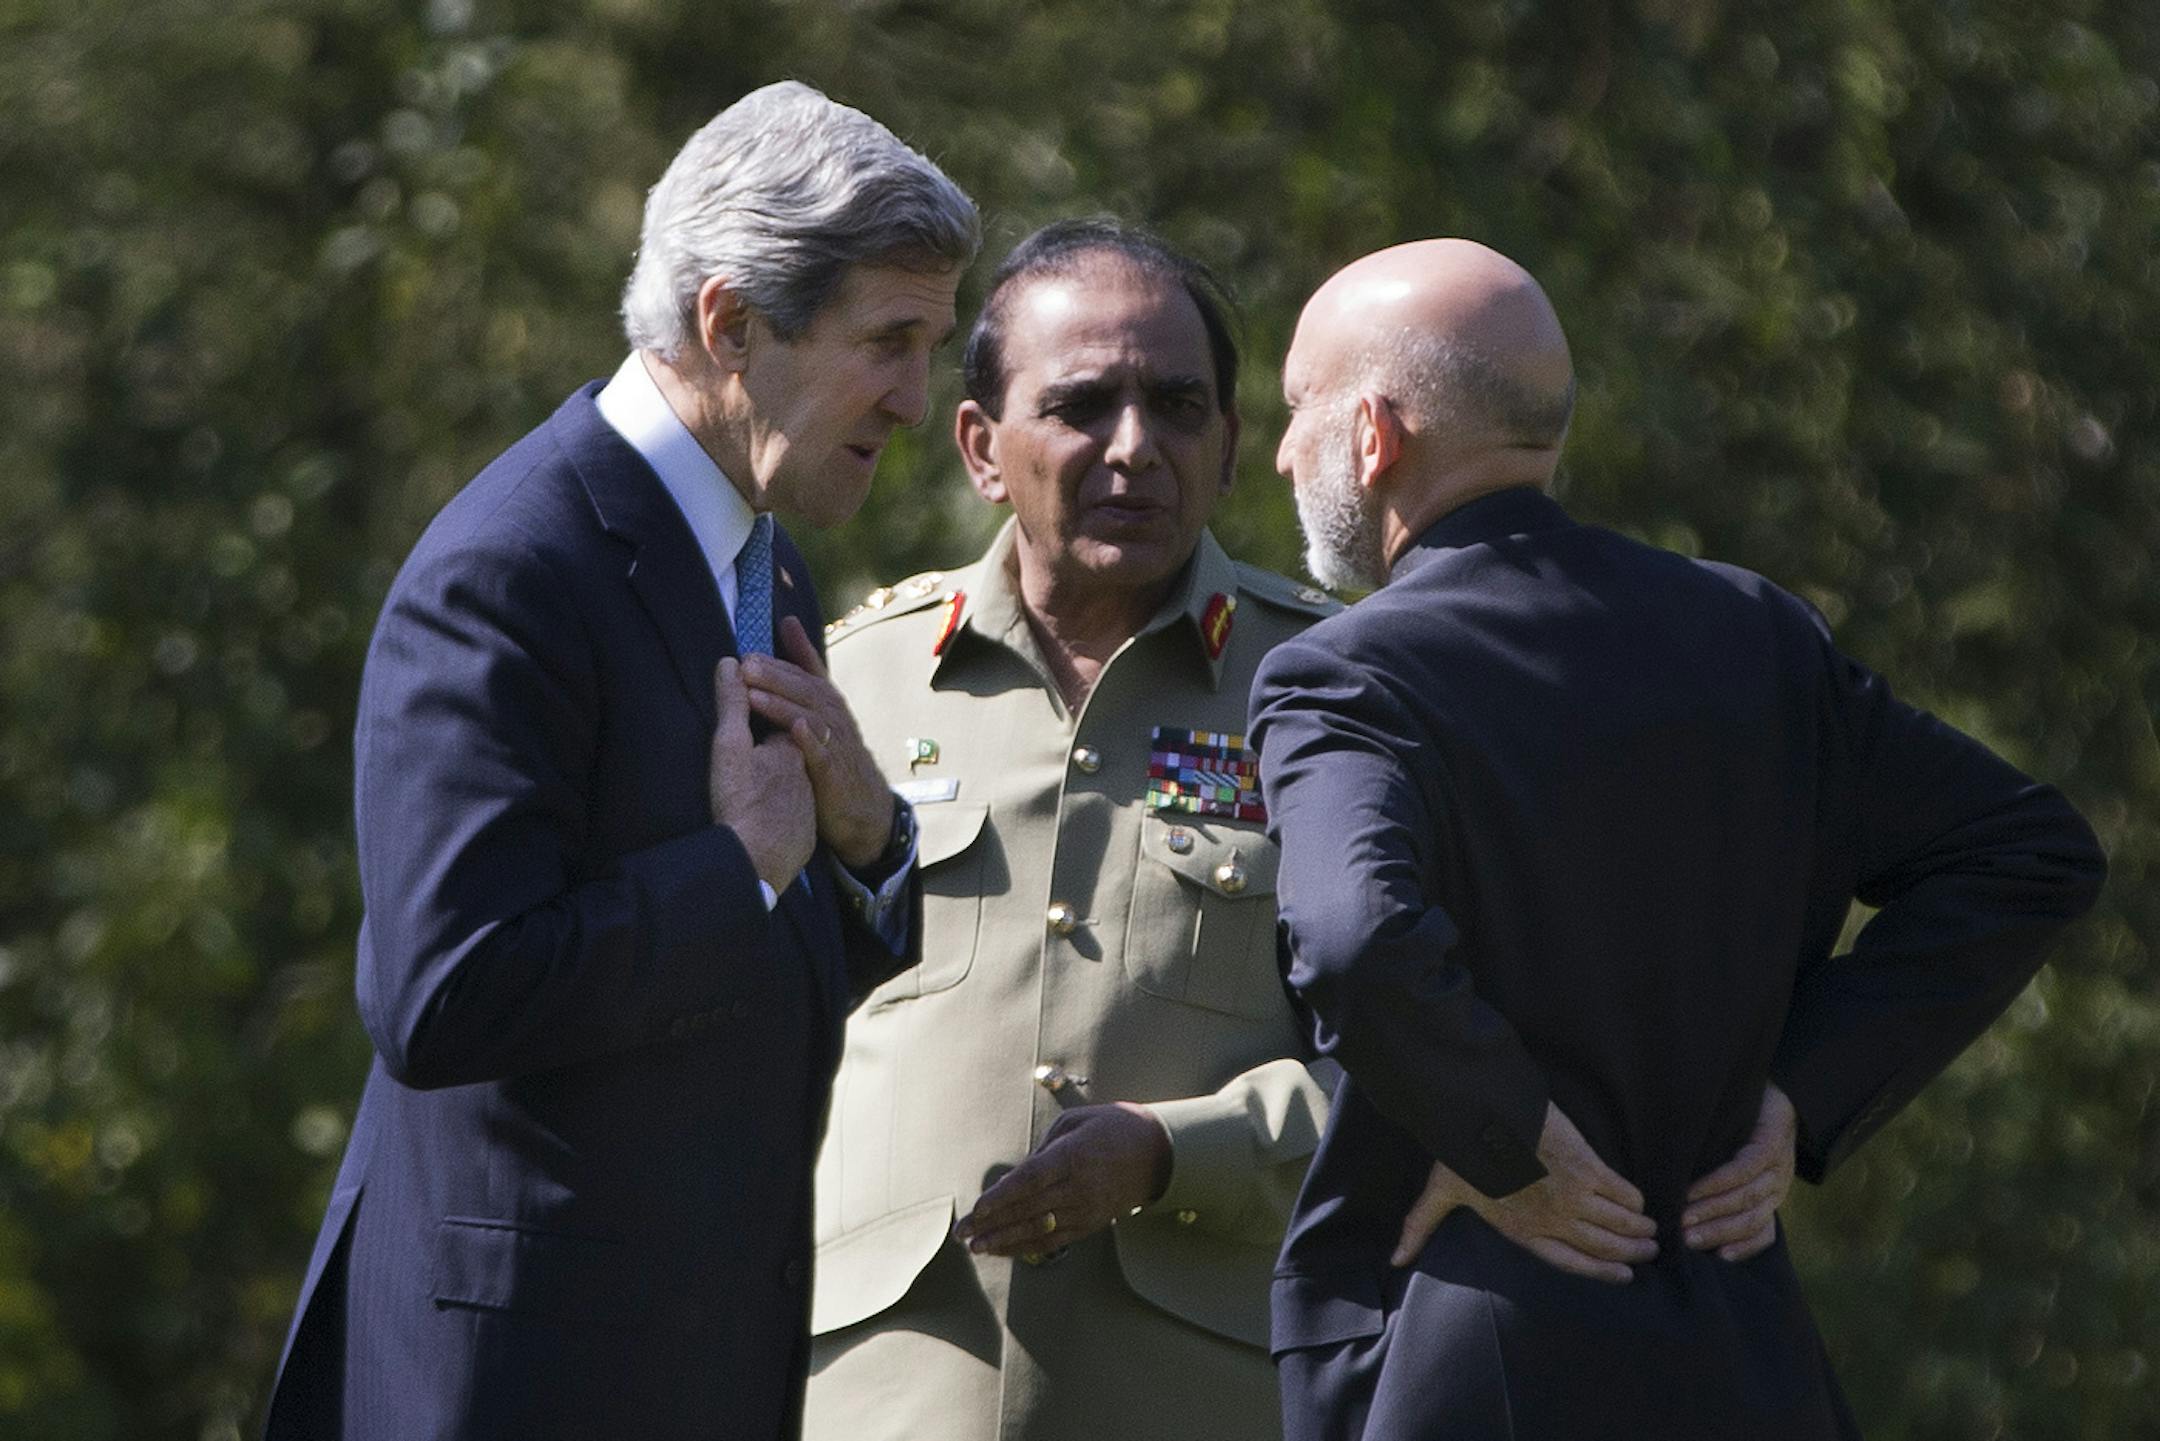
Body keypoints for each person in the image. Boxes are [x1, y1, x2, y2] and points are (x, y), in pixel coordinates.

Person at [1254, 238, 2106, 1441]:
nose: (1285, 449)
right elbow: (2029, 850)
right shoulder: (1751, 633)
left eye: (1299, 410)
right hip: (1746, 1354)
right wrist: (1799, 1096)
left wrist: (1508, 1142)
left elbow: (1353, 937)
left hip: (1470, 1355)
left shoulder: (1344, 675)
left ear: (1375, 435)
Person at [261, 82, 979, 1441]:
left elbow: (772, 970)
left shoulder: (767, 564)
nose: (915, 397)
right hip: (514, 1386)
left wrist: (867, 843)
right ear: (730, 323)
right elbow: (441, 994)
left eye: (931, 344)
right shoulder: (509, 570)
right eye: (888, 340)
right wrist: (740, 868)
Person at [797, 221, 1336, 1441]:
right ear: (983, 448)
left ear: (1232, 443)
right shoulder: (853, 681)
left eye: (1179, 406)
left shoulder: (1332, 690)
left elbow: (1425, 1063)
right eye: (1084, 405)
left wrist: (1176, 1152)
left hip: (1200, 1394)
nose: (1135, 448)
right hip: (883, 1391)